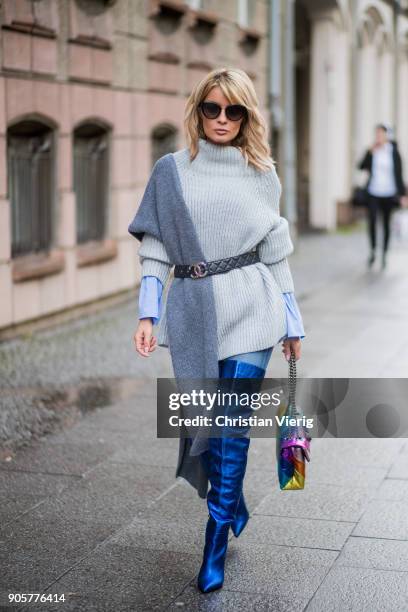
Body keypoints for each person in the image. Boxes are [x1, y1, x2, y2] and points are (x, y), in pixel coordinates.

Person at [128, 67, 305, 594]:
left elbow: (275, 251)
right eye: (212, 108)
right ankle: (233, 501)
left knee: (232, 429)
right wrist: (147, 312)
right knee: (208, 425)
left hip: (253, 305)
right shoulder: (172, 171)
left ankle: (214, 543)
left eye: (234, 111)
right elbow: (155, 248)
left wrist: (294, 324)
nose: (222, 119)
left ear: (247, 116)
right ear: (197, 110)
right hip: (196, 312)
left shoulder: (262, 172)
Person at [358, 124, 407, 269]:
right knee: (372, 221)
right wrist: (370, 153)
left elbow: (399, 174)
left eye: (381, 133)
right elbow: (361, 167)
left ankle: (384, 253)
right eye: (376, 133)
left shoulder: (393, 151)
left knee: (386, 223)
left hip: (389, 193)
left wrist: (403, 194)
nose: (378, 136)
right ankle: (373, 250)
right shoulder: (373, 150)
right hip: (373, 192)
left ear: (386, 135)